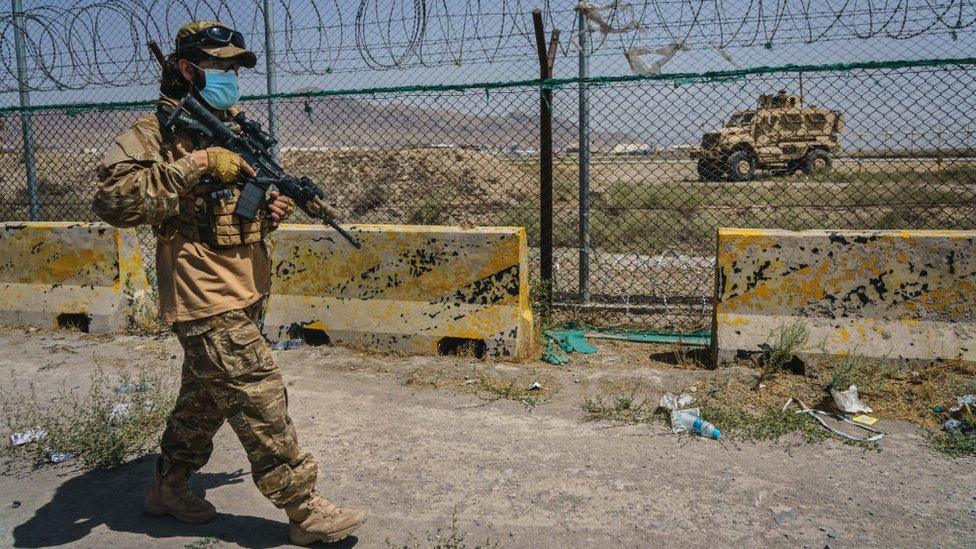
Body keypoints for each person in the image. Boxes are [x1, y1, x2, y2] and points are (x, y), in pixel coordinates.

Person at [92, 20, 366, 546]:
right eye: (217, 65)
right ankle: (304, 509)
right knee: (260, 395)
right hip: (202, 294)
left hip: (245, 290)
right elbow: (112, 202)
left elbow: (233, 213)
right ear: (186, 67)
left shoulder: (234, 128)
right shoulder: (154, 134)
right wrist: (194, 164)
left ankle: (168, 489)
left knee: (205, 401)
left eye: (233, 67)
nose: (228, 76)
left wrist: (270, 208)